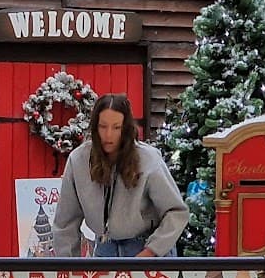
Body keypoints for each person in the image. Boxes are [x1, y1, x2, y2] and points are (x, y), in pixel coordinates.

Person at [53, 94, 189, 258]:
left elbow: (176, 212)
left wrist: (151, 252)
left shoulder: (149, 159)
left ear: (125, 128)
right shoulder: (78, 160)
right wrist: (67, 265)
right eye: (103, 126)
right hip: (104, 250)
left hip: (147, 250)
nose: (108, 135)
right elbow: (65, 223)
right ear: (95, 127)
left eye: (116, 127)